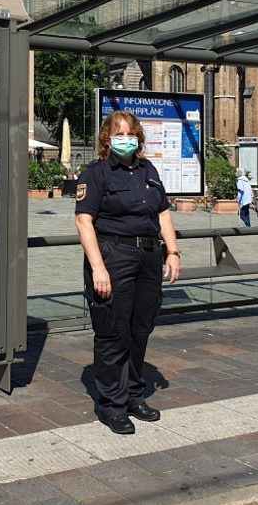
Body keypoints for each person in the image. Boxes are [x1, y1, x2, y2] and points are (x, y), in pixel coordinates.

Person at [74, 110, 181, 435]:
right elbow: (83, 221)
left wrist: (173, 252)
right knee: (113, 332)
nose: (126, 139)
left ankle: (134, 395)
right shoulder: (97, 173)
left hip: (149, 255)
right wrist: (98, 268)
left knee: (139, 330)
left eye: (130, 134)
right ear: (107, 139)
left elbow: (162, 213)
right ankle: (112, 405)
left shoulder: (148, 170)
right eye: (119, 134)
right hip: (113, 255)